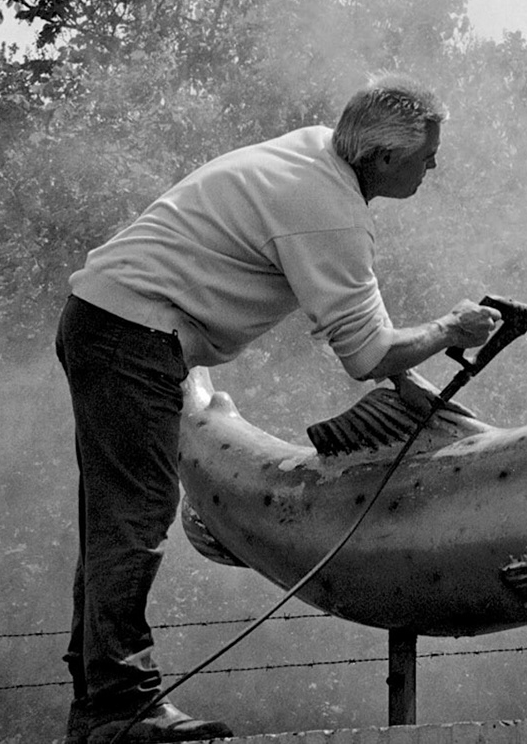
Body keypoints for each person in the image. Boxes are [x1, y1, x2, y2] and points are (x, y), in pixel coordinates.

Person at [55, 74, 501, 743]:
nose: (432, 166)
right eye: (426, 155)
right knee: (134, 518)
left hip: (107, 320)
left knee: (114, 517)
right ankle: (120, 706)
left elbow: (349, 325)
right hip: (132, 335)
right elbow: (366, 353)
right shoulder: (329, 211)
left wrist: (416, 388)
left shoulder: (317, 151)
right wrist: (450, 329)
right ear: (383, 156)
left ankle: (98, 703)